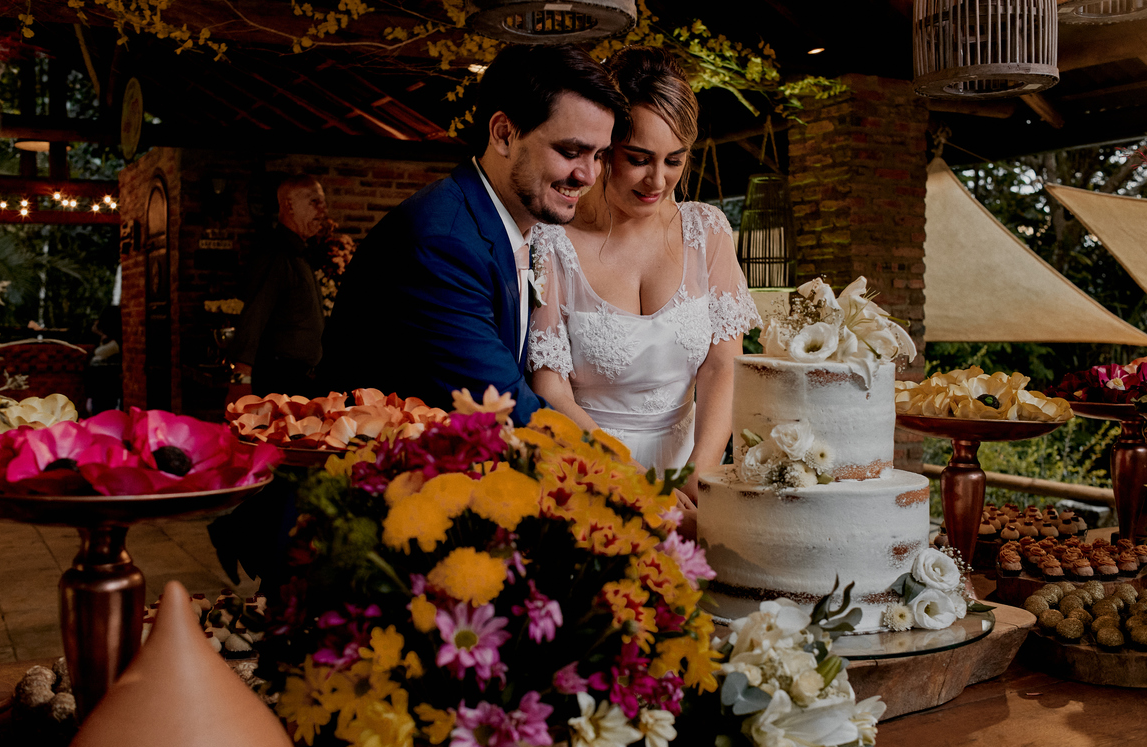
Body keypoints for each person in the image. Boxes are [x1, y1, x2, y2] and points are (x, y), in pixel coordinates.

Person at [320, 45, 627, 424]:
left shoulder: (516, 226)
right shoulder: (443, 244)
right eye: (570, 151)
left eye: (598, 155)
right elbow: (505, 408)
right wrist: (629, 478)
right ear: (503, 135)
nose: (589, 175)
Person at [527, 47, 760, 504]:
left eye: (674, 160)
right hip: (592, 468)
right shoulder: (552, 241)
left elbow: (721, 366)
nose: (657, 180)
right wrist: (630, 480)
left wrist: (701, 468)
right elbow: (549, 386)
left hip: (692, 465)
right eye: (638, 158)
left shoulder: (707, 231)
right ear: (604, 147)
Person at [229, 174, 327, 397]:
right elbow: (253, 318)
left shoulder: (298, 253)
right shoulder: (275, 255)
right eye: (314, 202)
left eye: (323, 202)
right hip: (280, 381)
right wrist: (239, 381)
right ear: (289, 206)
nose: (323, 211)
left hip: (298, 380)